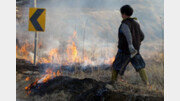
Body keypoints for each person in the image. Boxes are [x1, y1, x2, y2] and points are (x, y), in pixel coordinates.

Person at [111, 5, 149, 85]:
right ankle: (147, 84)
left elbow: (128, 35)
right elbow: (142, 36)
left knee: (116, 66)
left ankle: (112, 83)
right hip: (135, 51)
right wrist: (136, 44)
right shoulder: (136, 23)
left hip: (124, 51)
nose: (121, 15)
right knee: (140, 66)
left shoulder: (125, 24)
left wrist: (130, 45)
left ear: (124, 13)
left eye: (121, 13)